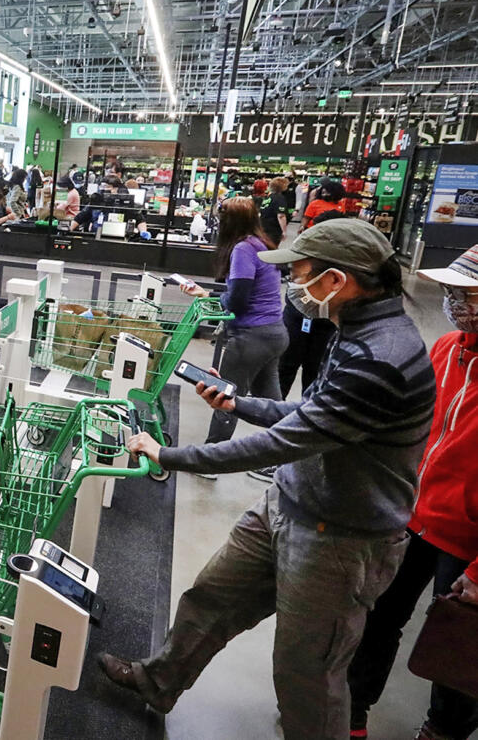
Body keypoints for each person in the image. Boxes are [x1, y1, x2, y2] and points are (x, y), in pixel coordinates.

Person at [105, 219, 437, 740]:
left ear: (335, 280)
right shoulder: (357, 333)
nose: (294, 286)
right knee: (211, 598)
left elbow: (284, 442)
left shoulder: (383, 357)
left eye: (300, 273)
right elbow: (310, 413)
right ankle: (157, 681)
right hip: (289, 503)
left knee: (307, 673)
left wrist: (170, 454)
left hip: (340, 540)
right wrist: (242, 403)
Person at [348, 244, 478, 740]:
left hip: (468, 540)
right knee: (379, 617)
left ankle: (443, 730)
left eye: (467, 294)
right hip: (412, 515)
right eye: (451, 292)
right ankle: (353, 710)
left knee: (458, 640)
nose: (454, 303)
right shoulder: (447, 349)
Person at [179, 197, 287, 466]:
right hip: (274, 333)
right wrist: (206, 295)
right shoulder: (262, 244)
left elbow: (238, 300)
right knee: (273, 404)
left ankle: (211, 460)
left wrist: (218, 300)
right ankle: (284, 460)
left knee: (224, 396)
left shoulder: (243, 249)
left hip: (251, 338)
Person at [257, 176, 292, 245]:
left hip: (263, 227)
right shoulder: (279, 198)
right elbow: (281, 215)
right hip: (273, 229)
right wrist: (284, 231)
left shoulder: (268, 198)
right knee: (271, 247)